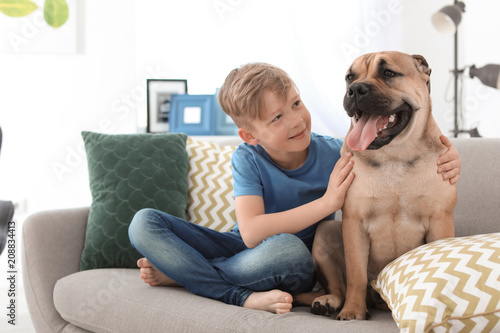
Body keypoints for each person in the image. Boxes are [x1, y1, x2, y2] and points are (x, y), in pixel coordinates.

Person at [128, 62, 461, 315]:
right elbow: (251, 234)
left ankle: (190, 274)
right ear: (250, 135)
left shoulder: (339, 152)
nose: (296, 120)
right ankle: (208, 277)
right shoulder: (247, 157)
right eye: (276, 118)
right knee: (144, 221)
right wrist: (327, 201)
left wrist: (449, 155)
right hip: (240, 249)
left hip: (291, 262)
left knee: (286, 248)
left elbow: (400, 152)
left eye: (297, 104)